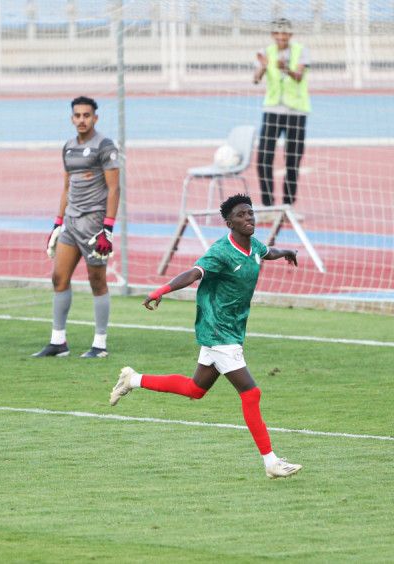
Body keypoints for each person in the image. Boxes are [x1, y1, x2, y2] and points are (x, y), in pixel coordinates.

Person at [109, 194, 302, 479]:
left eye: (250, 213)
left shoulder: (253, 246)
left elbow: (265, 252)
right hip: (218, 330)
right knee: (251, 392)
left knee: (195, 390)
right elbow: (193, 273)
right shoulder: (221, 251)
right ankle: (271, 462)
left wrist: (286, 252)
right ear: (229, 223)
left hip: (231, 329)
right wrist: (161, 290)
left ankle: (132, 379)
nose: (249, 218)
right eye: (241, 215)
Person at [34, 96, 120, 358]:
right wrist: (57, 223)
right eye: (77, 115)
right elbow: (66, 187)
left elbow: (115, 188)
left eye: (86, 115)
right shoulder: (68, 147)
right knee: (58, 278)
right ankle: (58, 342)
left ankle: (100, 344)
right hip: (71, 223)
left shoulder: (105, 146)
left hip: (94, 223)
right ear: (72, 118)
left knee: (97, 281)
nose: (82, 120)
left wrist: (108, 228)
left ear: (95, 117)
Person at [253, 18, 310, 209]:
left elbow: (300, 76)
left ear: (290, 35)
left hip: (296, 112)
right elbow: (256, 79)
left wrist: (285, 68)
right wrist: (262, 66)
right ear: (273, 35)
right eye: (277, 33)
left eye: (284, 33)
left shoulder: (300, 50)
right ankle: (268, 205)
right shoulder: (266, 52)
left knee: (292, 159)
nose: (281, 37)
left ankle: (288, 205)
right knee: (263, 158)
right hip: (273, 110)